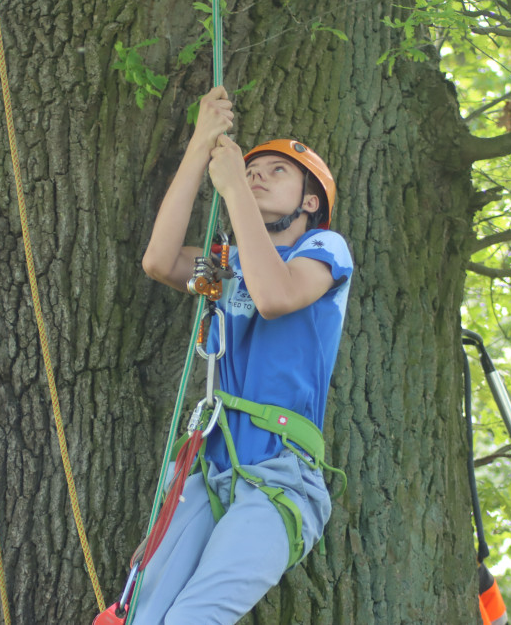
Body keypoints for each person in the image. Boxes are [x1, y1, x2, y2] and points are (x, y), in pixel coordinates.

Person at [136, 86, 353, 625]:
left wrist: (233, 187)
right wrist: (199, 145)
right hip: (208, 471)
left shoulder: (324, 250)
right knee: (140, 615)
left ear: (310, 202)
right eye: (252, 168)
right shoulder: (228, 262)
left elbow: (276, 296)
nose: (257, 174)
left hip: (281, 474)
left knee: (193, 618)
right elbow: (160, 261)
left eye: (277, 171)